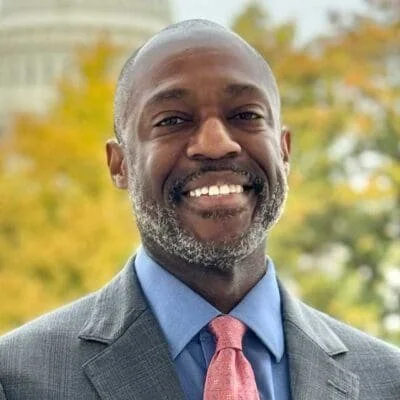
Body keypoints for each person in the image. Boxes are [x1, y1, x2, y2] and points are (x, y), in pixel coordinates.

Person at [0, 19, 399, 400]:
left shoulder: (389, 380)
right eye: (172, 120)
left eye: (245, 115)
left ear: (284, 150)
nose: (215, 144)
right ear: (120, 165)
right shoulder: (17, 379)